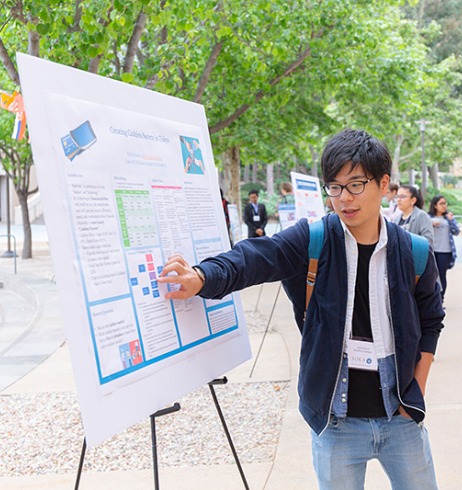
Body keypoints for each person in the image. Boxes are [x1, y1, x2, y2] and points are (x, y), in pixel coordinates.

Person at [158, 129, 444, 490]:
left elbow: (431, 320)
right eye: (335, 187)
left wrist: (416, 389)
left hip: (400, 416)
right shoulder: (314, 240)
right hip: (335, 420)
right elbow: (256, 257)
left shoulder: (413, 251)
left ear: (383, 183)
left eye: (356, 184)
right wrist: (202, 276)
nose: (344, 198)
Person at [428, 194, 460, 304]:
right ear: (435, 205)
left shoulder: (449, 217)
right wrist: (430, 224)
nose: (444, 206)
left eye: (445, 203)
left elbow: (456, 231)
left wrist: (451, 220)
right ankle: (432, 299)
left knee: (442, 275)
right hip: (432, 250)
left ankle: (440, 299)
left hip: (445, 252)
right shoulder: (428, 218)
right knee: (431, 276)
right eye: (441, 203)